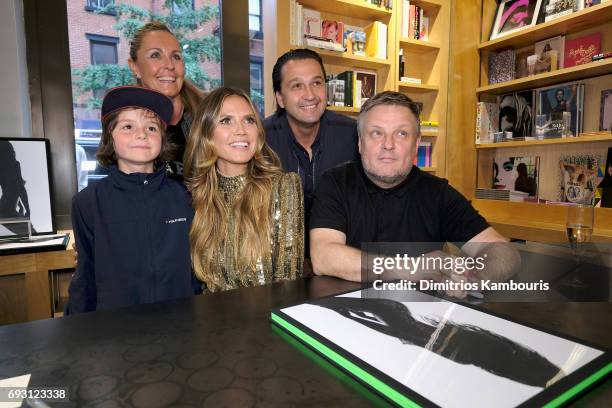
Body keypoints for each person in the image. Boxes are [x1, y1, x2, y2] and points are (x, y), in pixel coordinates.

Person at [310, 91, 520, 296]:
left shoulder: (437, 193)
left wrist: (474, 278)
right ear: (359, 143)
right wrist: (412, 269)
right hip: (345, 318)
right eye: (376, 133)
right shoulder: (336, 183)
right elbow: (323, 256)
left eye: (401, 133)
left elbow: (503, 251)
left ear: (416, 143)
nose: (388, 145)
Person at [66, 86, 197, 314]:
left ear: (163, 139)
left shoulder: (184, 197)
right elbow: (85, 278)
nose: (141, 134)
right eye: (128, 126)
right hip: (116, 332)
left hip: (180, 325)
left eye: (151, 127)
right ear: (110, 137)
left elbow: (197, 270)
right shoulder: (88, 203)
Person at [184, 87, 304, 292]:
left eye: (249, 120)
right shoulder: (198, 194)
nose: (241, 130)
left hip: (264, 319)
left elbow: (287, 284)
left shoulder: (284, 187)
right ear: (205, 133)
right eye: (226, 120)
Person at [265, 48, 359, 234]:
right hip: (275, 255)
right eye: (297, 86)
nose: (310, 95)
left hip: (341, 251)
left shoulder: (354, 134)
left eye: (317, 83)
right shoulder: (260, 140)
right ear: (280, 98)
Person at [128, 21, 204, 178]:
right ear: (135, 66)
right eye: (155, 55)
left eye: (176, 56)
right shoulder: (125, 125)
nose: (169, 65)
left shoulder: (209, 115)